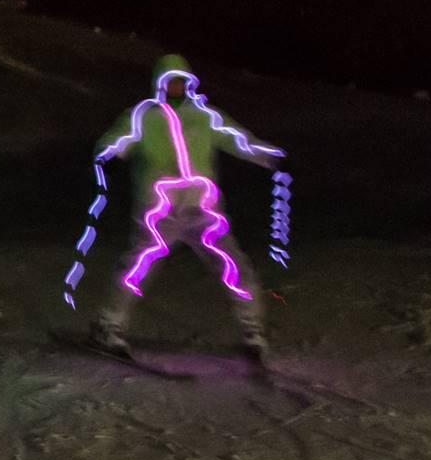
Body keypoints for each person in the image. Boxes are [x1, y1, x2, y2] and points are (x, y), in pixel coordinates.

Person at [75, 54, 285, 364]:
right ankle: (108, 326)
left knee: (234, 268)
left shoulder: (205, 116)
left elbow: (240, 141)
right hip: (159, 212)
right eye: (170, 80)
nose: (176, 86)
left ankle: (252, 331)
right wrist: (109, 151)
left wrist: (272, 158)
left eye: (181, 80)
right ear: (160, 83)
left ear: (189, 82)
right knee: (136, 269)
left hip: (204, 211)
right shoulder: (143, 116)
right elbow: (114, 140)